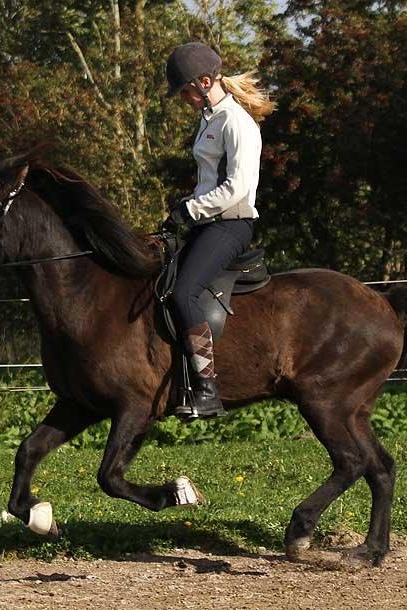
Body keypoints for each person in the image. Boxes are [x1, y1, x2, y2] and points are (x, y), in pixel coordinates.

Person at [163, 41, 275, 420]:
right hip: (207, 221)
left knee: (182, 293)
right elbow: (208, 182)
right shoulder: (210, 119)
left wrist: (190, 209)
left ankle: (208, 390)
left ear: (204, 81)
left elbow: (237, 188)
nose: (184, 101)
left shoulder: (237, 123)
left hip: (231, 224)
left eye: (185, 93)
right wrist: (184, 209)